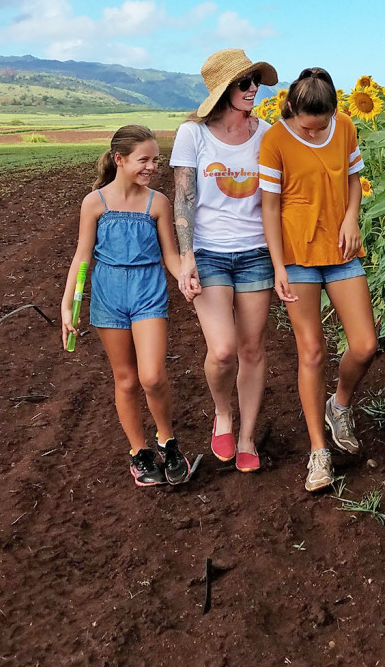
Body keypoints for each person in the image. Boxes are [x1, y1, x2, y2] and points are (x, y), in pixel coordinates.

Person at [258, 67, 378, 492]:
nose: (316, 132)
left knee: (365, 345)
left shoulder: (343, 127)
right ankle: (318, 451)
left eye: (323, 124)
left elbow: (352, 180)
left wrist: (351, 218)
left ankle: (339, 403)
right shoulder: (275, 141)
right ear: (292, 109)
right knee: (311, 352)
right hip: (297, 257)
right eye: (309, 126)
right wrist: (277, 267)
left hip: (341, 251)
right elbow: (270, 209)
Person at [61, 124, 192, 488]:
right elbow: (81, 257)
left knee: (152, 376)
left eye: (156, 160)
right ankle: (140, 452)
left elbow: (170, 256)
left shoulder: (158, 203)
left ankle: (166, 440)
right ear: (119, 160)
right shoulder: (95, 203)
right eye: (144, 160)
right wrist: (66, 307)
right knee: (127, 379)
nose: (152, 167)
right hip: (108, 296)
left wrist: (186, 279)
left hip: (148, 292)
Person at [170, 49, 278, 473]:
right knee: (223, 349)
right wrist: (186, 257)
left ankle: (248, 433)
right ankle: (223, 413)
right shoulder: (193, 134)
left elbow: (276, 198)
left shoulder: (266, 134)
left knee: (252, 349)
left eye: (255, 81)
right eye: (244, 83)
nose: (253, 89)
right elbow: (183, 197)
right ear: (222, 91)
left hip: (255, 252)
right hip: (210, 252)